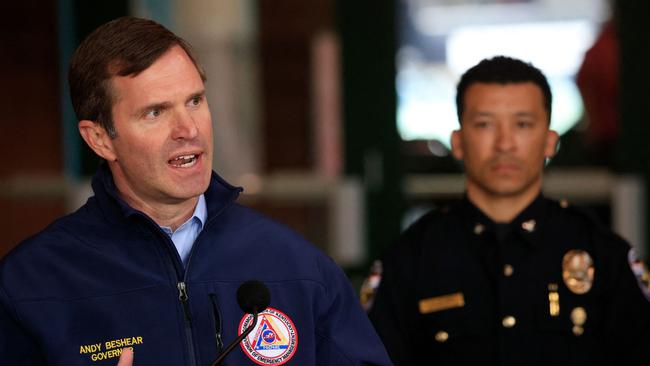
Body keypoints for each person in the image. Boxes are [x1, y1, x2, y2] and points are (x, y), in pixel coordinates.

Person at [0, 17, 392, 366]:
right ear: (100, 139)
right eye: (155, 112)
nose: (188, 129)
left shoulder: (298, 267)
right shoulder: (30, 283)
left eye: (195, 101)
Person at [365, 56, 650, 365]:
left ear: (550, 142)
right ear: (458, 143)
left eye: (523, 124)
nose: (504, 144)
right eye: (484, 124)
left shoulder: (603, 255)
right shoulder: (411, 259)